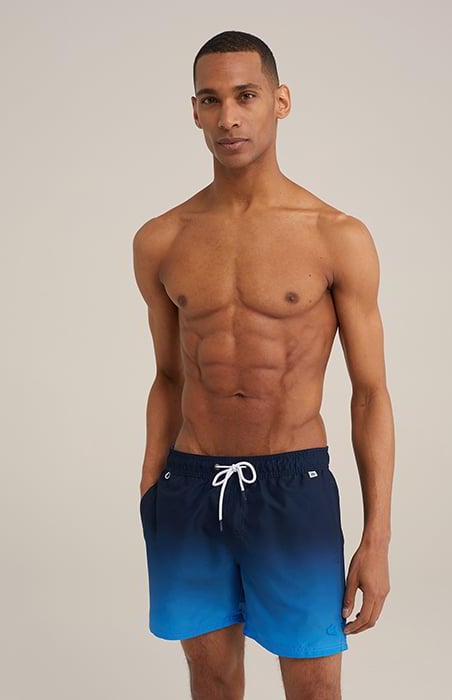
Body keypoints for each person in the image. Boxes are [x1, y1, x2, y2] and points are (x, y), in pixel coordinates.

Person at [133, 29, 394, 700]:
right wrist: (150, 487)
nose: (229, 117)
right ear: (194, 111)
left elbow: (369, 393)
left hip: (292, 486)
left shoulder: (334, 236)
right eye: (211, 100)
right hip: (189, 485)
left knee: (313, 687)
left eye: (245, 96)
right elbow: (168, 377)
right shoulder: (162, 239)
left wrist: (376, 537)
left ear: (280, 101)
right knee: (212, 679)